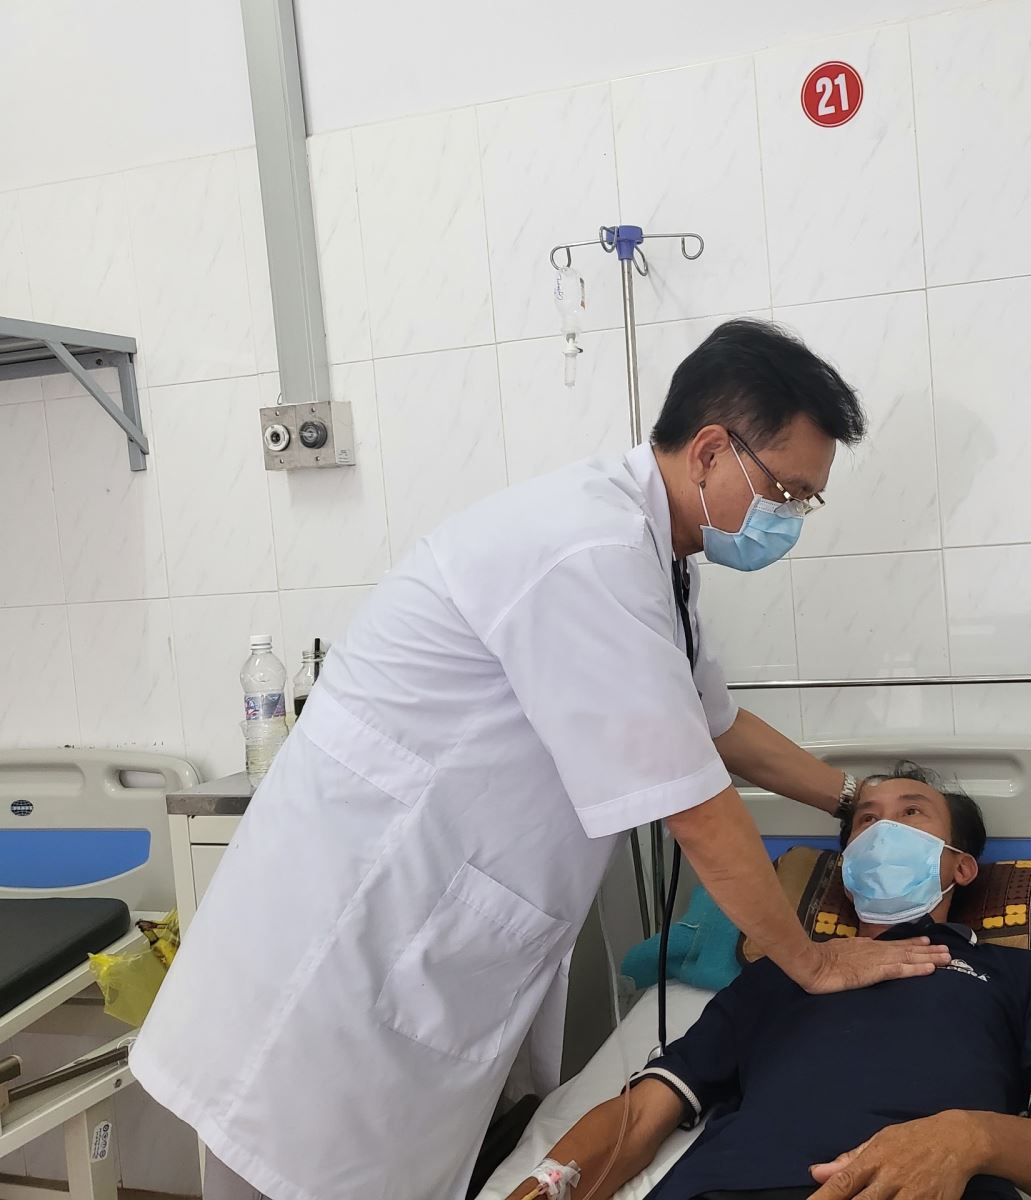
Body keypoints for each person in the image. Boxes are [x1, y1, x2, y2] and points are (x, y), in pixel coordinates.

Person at [131, 320, 950, 1200]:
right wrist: (813, 961)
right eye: (786, 491)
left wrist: (857, 801)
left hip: (415, 941)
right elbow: (699, 806)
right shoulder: (588, 552)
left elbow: (715, 725)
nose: (789, 518)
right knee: (286, 1166)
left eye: (804, 502)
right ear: (712, 451)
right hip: (343, 950)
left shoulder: (655, 562)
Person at [509, 763, 1031, 1200]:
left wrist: (969, 1138)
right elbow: (641, 1114)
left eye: (911, 814)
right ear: (846, 870)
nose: (882, 831)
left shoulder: (1015, 974)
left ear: (962, 867)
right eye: (865, 821)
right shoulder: (779, 973)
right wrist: (544, 1187)